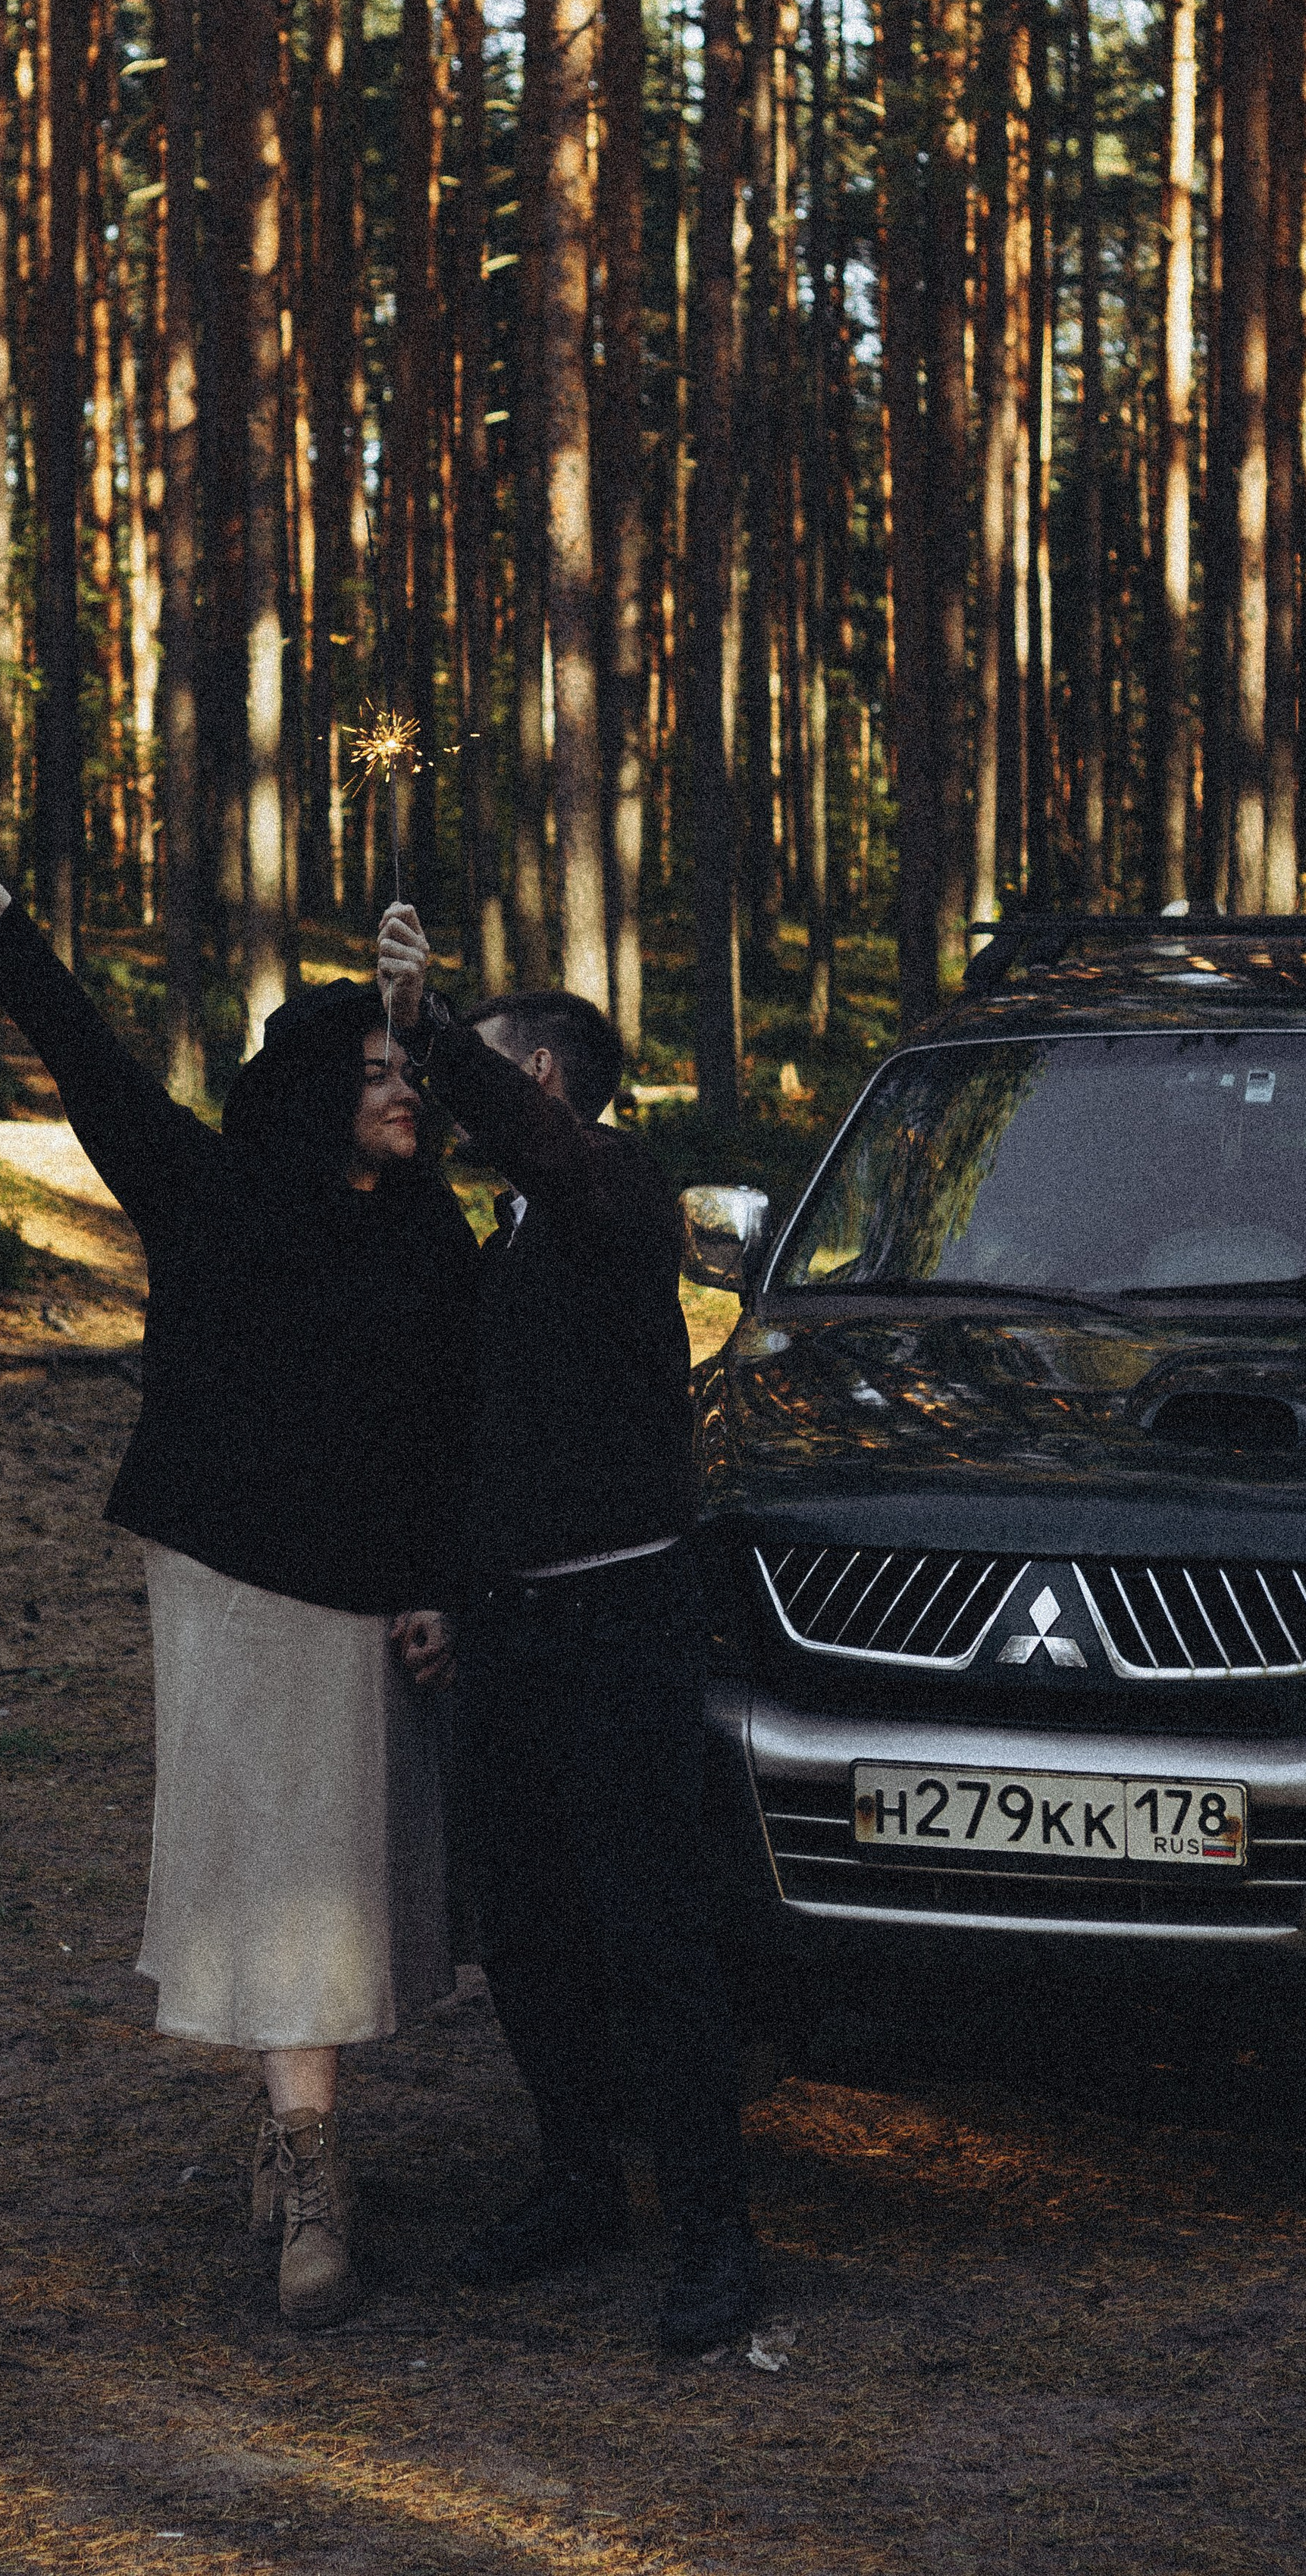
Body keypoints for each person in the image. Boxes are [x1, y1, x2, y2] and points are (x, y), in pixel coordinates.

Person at [0, 853, 478, 2330]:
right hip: (233, 1584)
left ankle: (291, 2127)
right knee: (281, 1872)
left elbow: (442, 1434)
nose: (399, 1093)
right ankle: (311, 2173)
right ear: (309, 1092)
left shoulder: (428, 1237)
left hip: (372, 1598)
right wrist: (7, 932)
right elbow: (95, 1074)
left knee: (349, 1889)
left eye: (403, 1071)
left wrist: (434, 1587)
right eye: (372, 1073)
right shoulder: (215, 1198)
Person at [375, 900, 760, 2355]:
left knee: (651, 1929)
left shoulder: (615, 1191)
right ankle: (577, 2182)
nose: (443, 1083)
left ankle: (715, 2236)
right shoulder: (505, 1241)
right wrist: (442, 1589)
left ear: (539, 1079)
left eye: (477, 1063)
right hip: (508, 1632)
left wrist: (429, 1022)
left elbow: (541, 1144)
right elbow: (467, 1436)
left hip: (626, 1620)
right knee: (525, 1925)